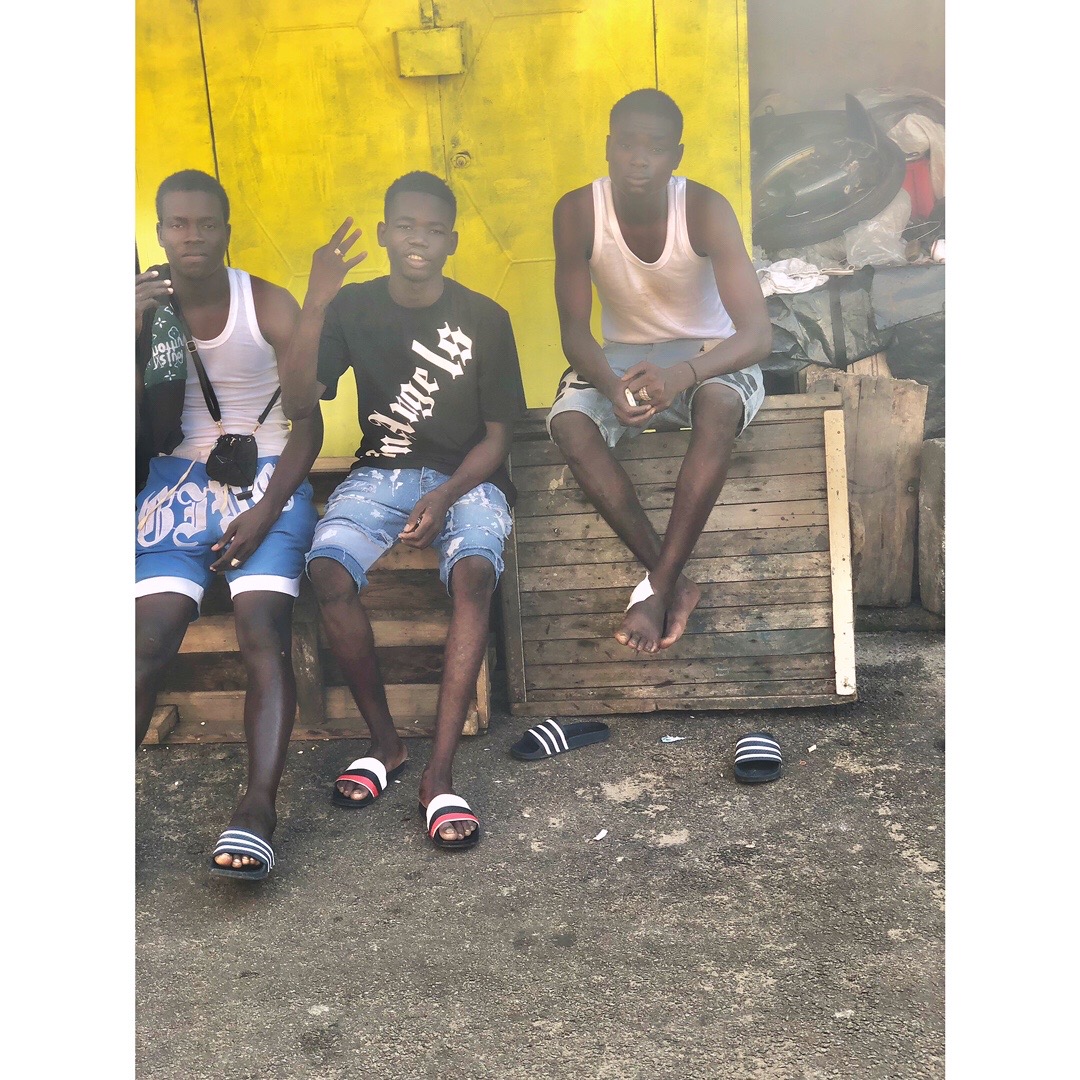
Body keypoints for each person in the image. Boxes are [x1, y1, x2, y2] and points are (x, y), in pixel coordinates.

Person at [278, 170, 526, 850]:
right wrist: (315, 300)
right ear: (385, 234)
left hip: (469, 476)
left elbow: (498, 437)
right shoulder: (351, 306)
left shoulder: (485, 317)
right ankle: (385, 745)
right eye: (407, 227)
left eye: (434, 229)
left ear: (452, 241)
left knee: (474, 574)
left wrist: (443, 497)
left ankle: (439, 776)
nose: (420, 239)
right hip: (380, 474)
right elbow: (299, 402)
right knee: (327, 571)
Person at [135, 169, 323, 881]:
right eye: (177, 224)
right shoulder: (145, 310)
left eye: (205, 223)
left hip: (266, 477)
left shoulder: (265, 303)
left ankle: (258, 808)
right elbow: (135, 430)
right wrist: (128, 336)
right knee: (145, 641)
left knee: (261, 632)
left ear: (226, 231)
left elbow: (309, 423)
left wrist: (266, 511)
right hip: (177, 485)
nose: (192, 236)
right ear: (160, 233)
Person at [546, 88, 773, 655]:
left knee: (719, 407)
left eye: (655, 148)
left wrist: (684, 375)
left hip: (709, 353)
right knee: (570, 424)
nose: (639, 160)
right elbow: (574, 332)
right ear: (607, 147)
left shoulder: (704, 209)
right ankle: (674, 582)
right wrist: (608, 385)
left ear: (677, 156)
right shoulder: (577, 212)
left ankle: (655, 591)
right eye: (627, 145)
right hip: (622, 356)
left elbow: (756, 336)